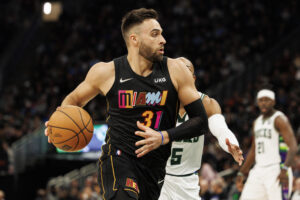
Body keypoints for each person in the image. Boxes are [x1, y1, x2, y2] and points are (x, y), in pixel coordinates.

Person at [45, 8, 243, 200]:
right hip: (119, 157)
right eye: (155, 34)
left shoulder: (175, 71)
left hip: (156, 168)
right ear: (134, 39)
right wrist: (59, 120)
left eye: (162, 34)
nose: (163, 40)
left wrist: (163, 136)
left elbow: (201, 122)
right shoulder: (107, 72)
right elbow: (74, 100)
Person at [159, 57, 242, 200]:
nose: (181, 77)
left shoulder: (207, 104)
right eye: (176, 73)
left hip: (186, 181)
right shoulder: (155, 102)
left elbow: (221, 129)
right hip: (156, 177)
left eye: (185, 72)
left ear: (193, 78)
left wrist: (230, 144)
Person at [237, 89, 298, 200]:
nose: (264, 103)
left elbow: (293, 146)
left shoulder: (279, 119)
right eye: (261, 100)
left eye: (267, 100)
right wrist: (242, 172)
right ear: (257, 102)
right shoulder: (257, 122)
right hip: (258, 169)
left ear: (273, 102)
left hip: (277, 168)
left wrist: (285, 169)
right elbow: (253, 150)